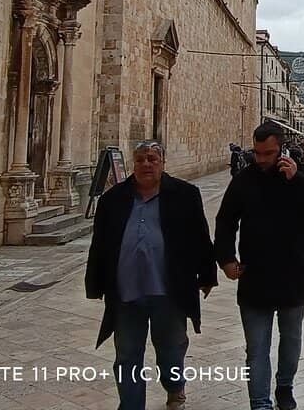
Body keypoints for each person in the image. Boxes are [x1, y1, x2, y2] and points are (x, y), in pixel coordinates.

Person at [85, 140, 217, 410]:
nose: (146, 164)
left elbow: (200, 237)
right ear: (133, 163)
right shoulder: (113, 199)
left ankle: (175, 386)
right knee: (127, 356)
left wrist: (207, 274)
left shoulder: (185, 194)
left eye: (152, 159)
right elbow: (100, 243)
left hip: (169, 292)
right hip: (125, 292)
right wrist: (95, 283)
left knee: (170, 350)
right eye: (141, 159)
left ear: (162, 162)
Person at [215, 121, 304, 410]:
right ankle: (260, 403)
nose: (261, 159)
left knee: (291, 339)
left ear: (281, 149)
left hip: (293, 274)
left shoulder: (303, 174)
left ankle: (284, 386)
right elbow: (225, 220)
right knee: (256, 348)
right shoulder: (244, 179)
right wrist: (227, 260)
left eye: (268, 153)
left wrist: (298, 179)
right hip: (255, 275)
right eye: (257, 153)